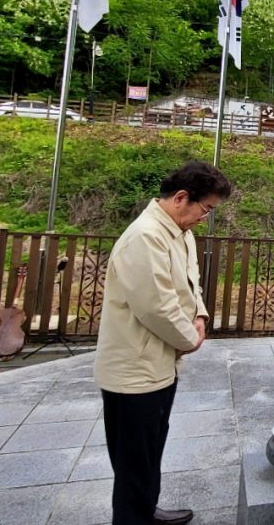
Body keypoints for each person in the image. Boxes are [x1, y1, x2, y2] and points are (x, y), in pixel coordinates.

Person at [94, 160, 232, 525]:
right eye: (206, 209)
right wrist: (190, 339)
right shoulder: (145, 237)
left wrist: (199, 316)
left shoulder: (179, 232)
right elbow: (156, 306)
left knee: (150, 450)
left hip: (159, 365)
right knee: (133, 461)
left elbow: (190, 284)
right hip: (134, 372)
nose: (206, 217)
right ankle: (132, 517)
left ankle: (146, 510)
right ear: (181, 198)